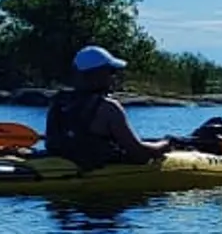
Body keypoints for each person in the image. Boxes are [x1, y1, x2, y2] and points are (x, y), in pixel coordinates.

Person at [40, 43, 178, 167]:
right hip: (92, 169)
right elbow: (139, 155)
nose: (113, 77)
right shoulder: (109, 108)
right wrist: (164, 145)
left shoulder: (58, 102)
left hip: (60, 163)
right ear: (96, 75)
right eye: (111, 72)